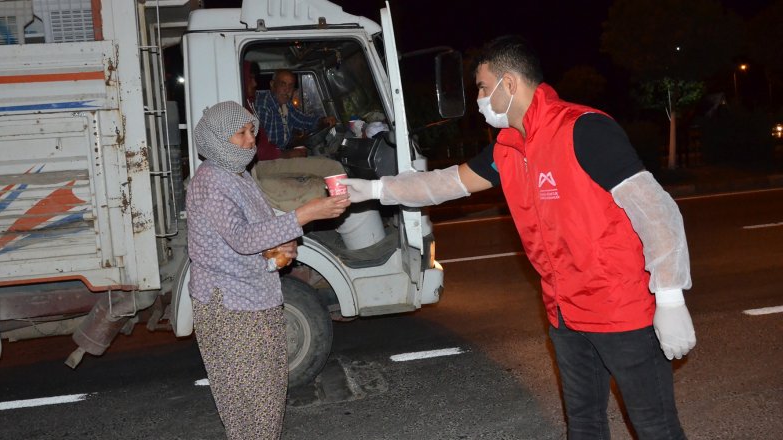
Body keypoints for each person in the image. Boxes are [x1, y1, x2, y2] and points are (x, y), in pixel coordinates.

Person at [341, 35, 696, 440]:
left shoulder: (583, 129)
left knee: (655, 428)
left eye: (481, 86)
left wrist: (669, 298)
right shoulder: (507, 148)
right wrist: (373, 191)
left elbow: (657, 211)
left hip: (621, 311)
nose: (478, 98)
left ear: (509, 84)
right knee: (583, 424)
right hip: (565, 313)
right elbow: (445, 183)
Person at [186, 101, 350, 439]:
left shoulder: (237, 174)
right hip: (230, 307)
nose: (251, 140)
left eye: (252, 132)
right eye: (242, 133)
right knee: (250, 403)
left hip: (254, 297)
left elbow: (255, 230)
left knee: (268, 396)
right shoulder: (211, 181)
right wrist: (305, 213)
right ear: (218, 139)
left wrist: (281, 245)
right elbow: (242, 238)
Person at [253, 68, 336, 152]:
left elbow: (302, 120)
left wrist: (323, 120)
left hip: (281, 153)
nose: (287, 90)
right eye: (283, 84)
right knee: (330, 165)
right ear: (272, 84)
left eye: (291, 86)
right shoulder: (263, 105)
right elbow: (262, 147)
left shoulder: (285, 104)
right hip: (268, 160)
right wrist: (288, 155)